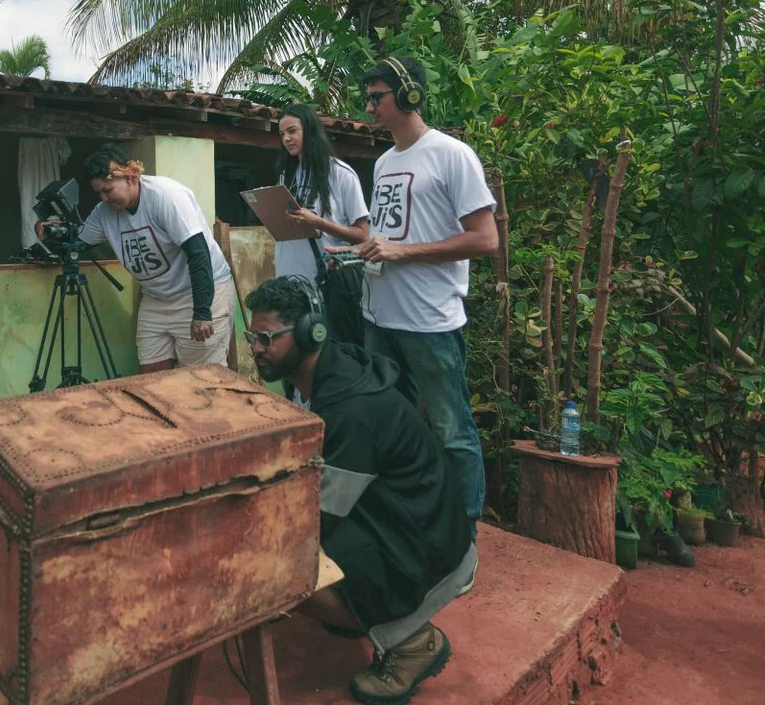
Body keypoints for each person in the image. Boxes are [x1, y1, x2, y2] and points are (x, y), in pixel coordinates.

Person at [244, 276, 474, 705]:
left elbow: (321, 516)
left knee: (276, 571)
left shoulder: (350, 408)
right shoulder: (329, 372)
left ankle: (410, 643)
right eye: (252, 336)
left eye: (266, 338)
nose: (255, 348)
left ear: (310, 331)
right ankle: (363, 610)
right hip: (409, 519)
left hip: (428, 549)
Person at [346, 56, 498, 540]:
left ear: (409, 94)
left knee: (452, 431)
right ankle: (409, 517)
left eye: (378, 97)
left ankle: (465, 532)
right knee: (390, 425)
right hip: (381, 317)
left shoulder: (452, 155)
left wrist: (401, 252)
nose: (369, 106)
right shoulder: (386, 162)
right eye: (366, 97)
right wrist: (358, 253)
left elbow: (485, 239)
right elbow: (391, 236)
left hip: (430, 322)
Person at [40, 143, 234, 373]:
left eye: (108, 190)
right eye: (98, 192)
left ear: (130, 177)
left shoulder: (166, 196)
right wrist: (47, 231)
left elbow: (198, 253)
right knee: (151, 381)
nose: (103, 198)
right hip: (156, 299)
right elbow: (77, 243)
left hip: (199, 293)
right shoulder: (104, 213)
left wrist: (202, 313)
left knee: (201, 381)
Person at [274, 104, 371, 344]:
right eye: (282, 134)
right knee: (294, 355)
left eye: (292, 131)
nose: (286, 139)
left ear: (310, 130)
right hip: (288, 285)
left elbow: (362, 235)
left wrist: (319, 223)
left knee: (327, 352)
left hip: (325, 287)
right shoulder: (287, 176)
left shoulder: (340, 174)